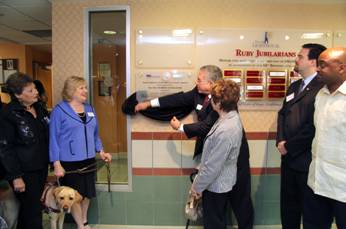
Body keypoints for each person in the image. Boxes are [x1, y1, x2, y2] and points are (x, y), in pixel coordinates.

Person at [135, 65, 253, 229]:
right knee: (216, 208)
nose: (196, 82)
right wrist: (149, 104)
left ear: (211, 84)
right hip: (216, 162)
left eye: (199, 79)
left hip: (234, 160)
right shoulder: (199, 94)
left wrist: (181, 127)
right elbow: (178, 99)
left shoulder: (223, 106)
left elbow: (205, 127)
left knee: (240, 200)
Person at [49, 76, 112, 229]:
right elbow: (53, 139)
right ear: (71, 91)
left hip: (89, 160)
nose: (85, 90)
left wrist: (101, 151)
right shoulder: (60, 110)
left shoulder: (90, 109)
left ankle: (83, 220)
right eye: (81, 88)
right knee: (75, 197)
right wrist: (56, 163)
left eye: (85, 87)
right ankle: (81, 225)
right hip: (69, 162)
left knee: (87, 194)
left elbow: (95, 134)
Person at [276, 43, 326, 229]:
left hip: (306, 161)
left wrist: (289, 146)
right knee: (288, 210)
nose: (296, 59)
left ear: (313, 61)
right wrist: (280, 141)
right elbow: (282, 114)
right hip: (288, 160)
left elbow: (313, 127)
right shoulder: (294, 86)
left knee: (310, 212)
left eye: (300, 56)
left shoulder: (322, 88)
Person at [190, 79, 243, 229]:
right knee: (217, 221)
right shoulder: (229, 118)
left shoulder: (226, 128)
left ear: (219, 104)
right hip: (218, 182)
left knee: (214, 224)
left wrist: (197, 187)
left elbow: (213, 166)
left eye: (212, 98)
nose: (210, 100)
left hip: (216, 185)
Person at [303, 47, 346, 229]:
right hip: (317, 182)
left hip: (342, 187)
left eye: (323, 65)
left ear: (342, 68)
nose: (317, 69)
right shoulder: (321, 95)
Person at [0, 72, 50, 229]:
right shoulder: (8, 114)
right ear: (17, 95)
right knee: (34, 211)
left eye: (34, 89)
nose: (35, 92)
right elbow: (5, 147)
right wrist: (16, 176)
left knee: (28, 211)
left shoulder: (39, 108)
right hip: (23, 172)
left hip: (40, 167)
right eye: (30, 90)